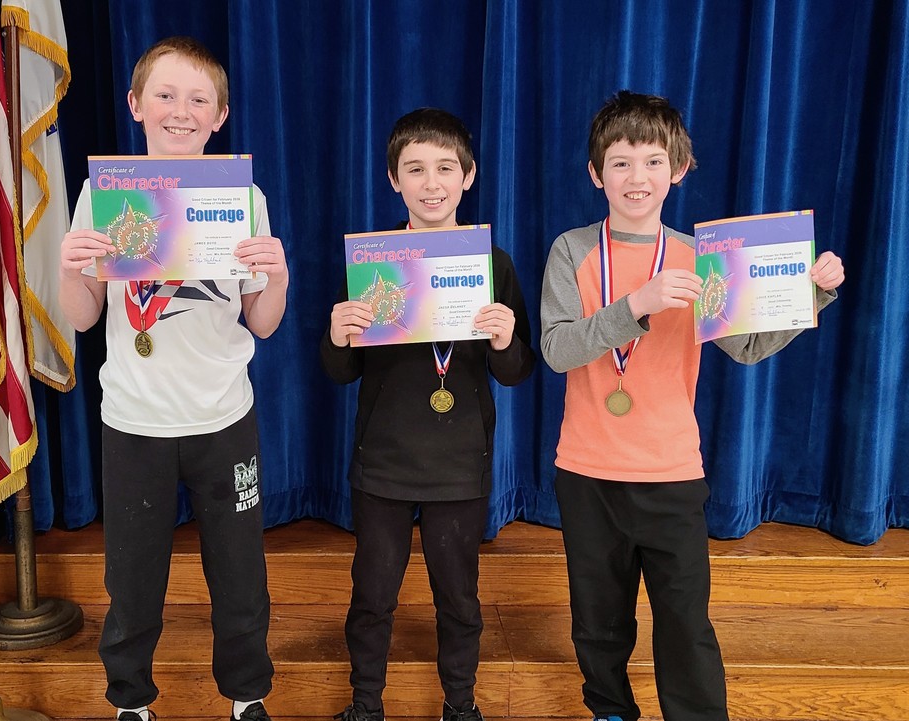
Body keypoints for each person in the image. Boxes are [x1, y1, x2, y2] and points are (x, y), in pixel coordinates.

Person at [539, 90, 845, 721]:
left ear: (677, 169)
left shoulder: (703, 259)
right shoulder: (571, 250)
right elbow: (558, 349)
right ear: (596, 173)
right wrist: (638, 304)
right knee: (598, 623)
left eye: (653, 161)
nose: (636, 177)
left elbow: (750, 348)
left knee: (684, 623)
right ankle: (609, 710)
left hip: (672, 473)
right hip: (587, 470)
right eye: (620, 163)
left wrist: (810, 298)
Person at [58, 36, 287, 721]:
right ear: (135, 105)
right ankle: (131, 702)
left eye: (198, 99)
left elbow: (265, 322)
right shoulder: (102, 196)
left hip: (223, 416)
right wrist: (72, 266)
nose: (180, 110)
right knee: (132, 578)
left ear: (220, 116)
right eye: (165, 94)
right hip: (135, 420)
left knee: (240, 575)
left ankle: (247, 696)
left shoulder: (242, 195)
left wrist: (277, 272)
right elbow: (82, 314)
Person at [321, 108, 535, 721]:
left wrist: (503, 340)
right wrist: (338, 335)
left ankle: (460, 706)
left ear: (468, 177)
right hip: (383, 465)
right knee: (372, 598)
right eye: (415, 169)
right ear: (394, 180)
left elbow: (517, 372)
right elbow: (340, 372)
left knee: (460, 599)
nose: (431, 182)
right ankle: (365, 705)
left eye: (445, 167)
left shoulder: (494, 266)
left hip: (459, 467)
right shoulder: (373, 264)